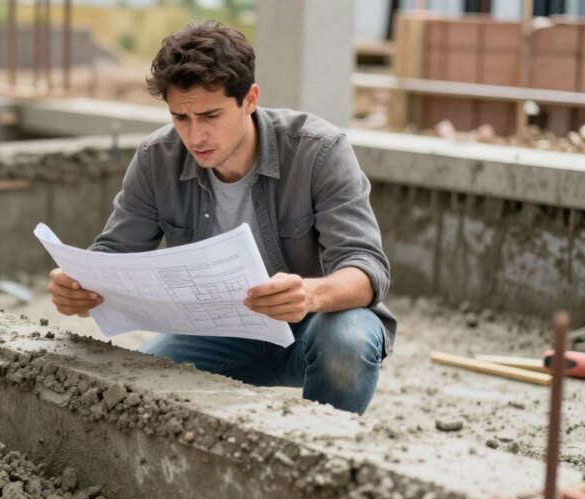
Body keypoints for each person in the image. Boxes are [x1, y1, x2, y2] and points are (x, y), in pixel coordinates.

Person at [46, 21, 396, 415]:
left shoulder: (319, 150)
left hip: (316, 325)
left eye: (211, 115)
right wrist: (79, 287)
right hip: (219, 333)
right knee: (139, 381)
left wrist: (309, 294)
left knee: (349, 339)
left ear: (249, 99)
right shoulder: (156, 158)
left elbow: (366, 268)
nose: (195, 137)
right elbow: (114, 252)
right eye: (181, 118)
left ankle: (324, 459)